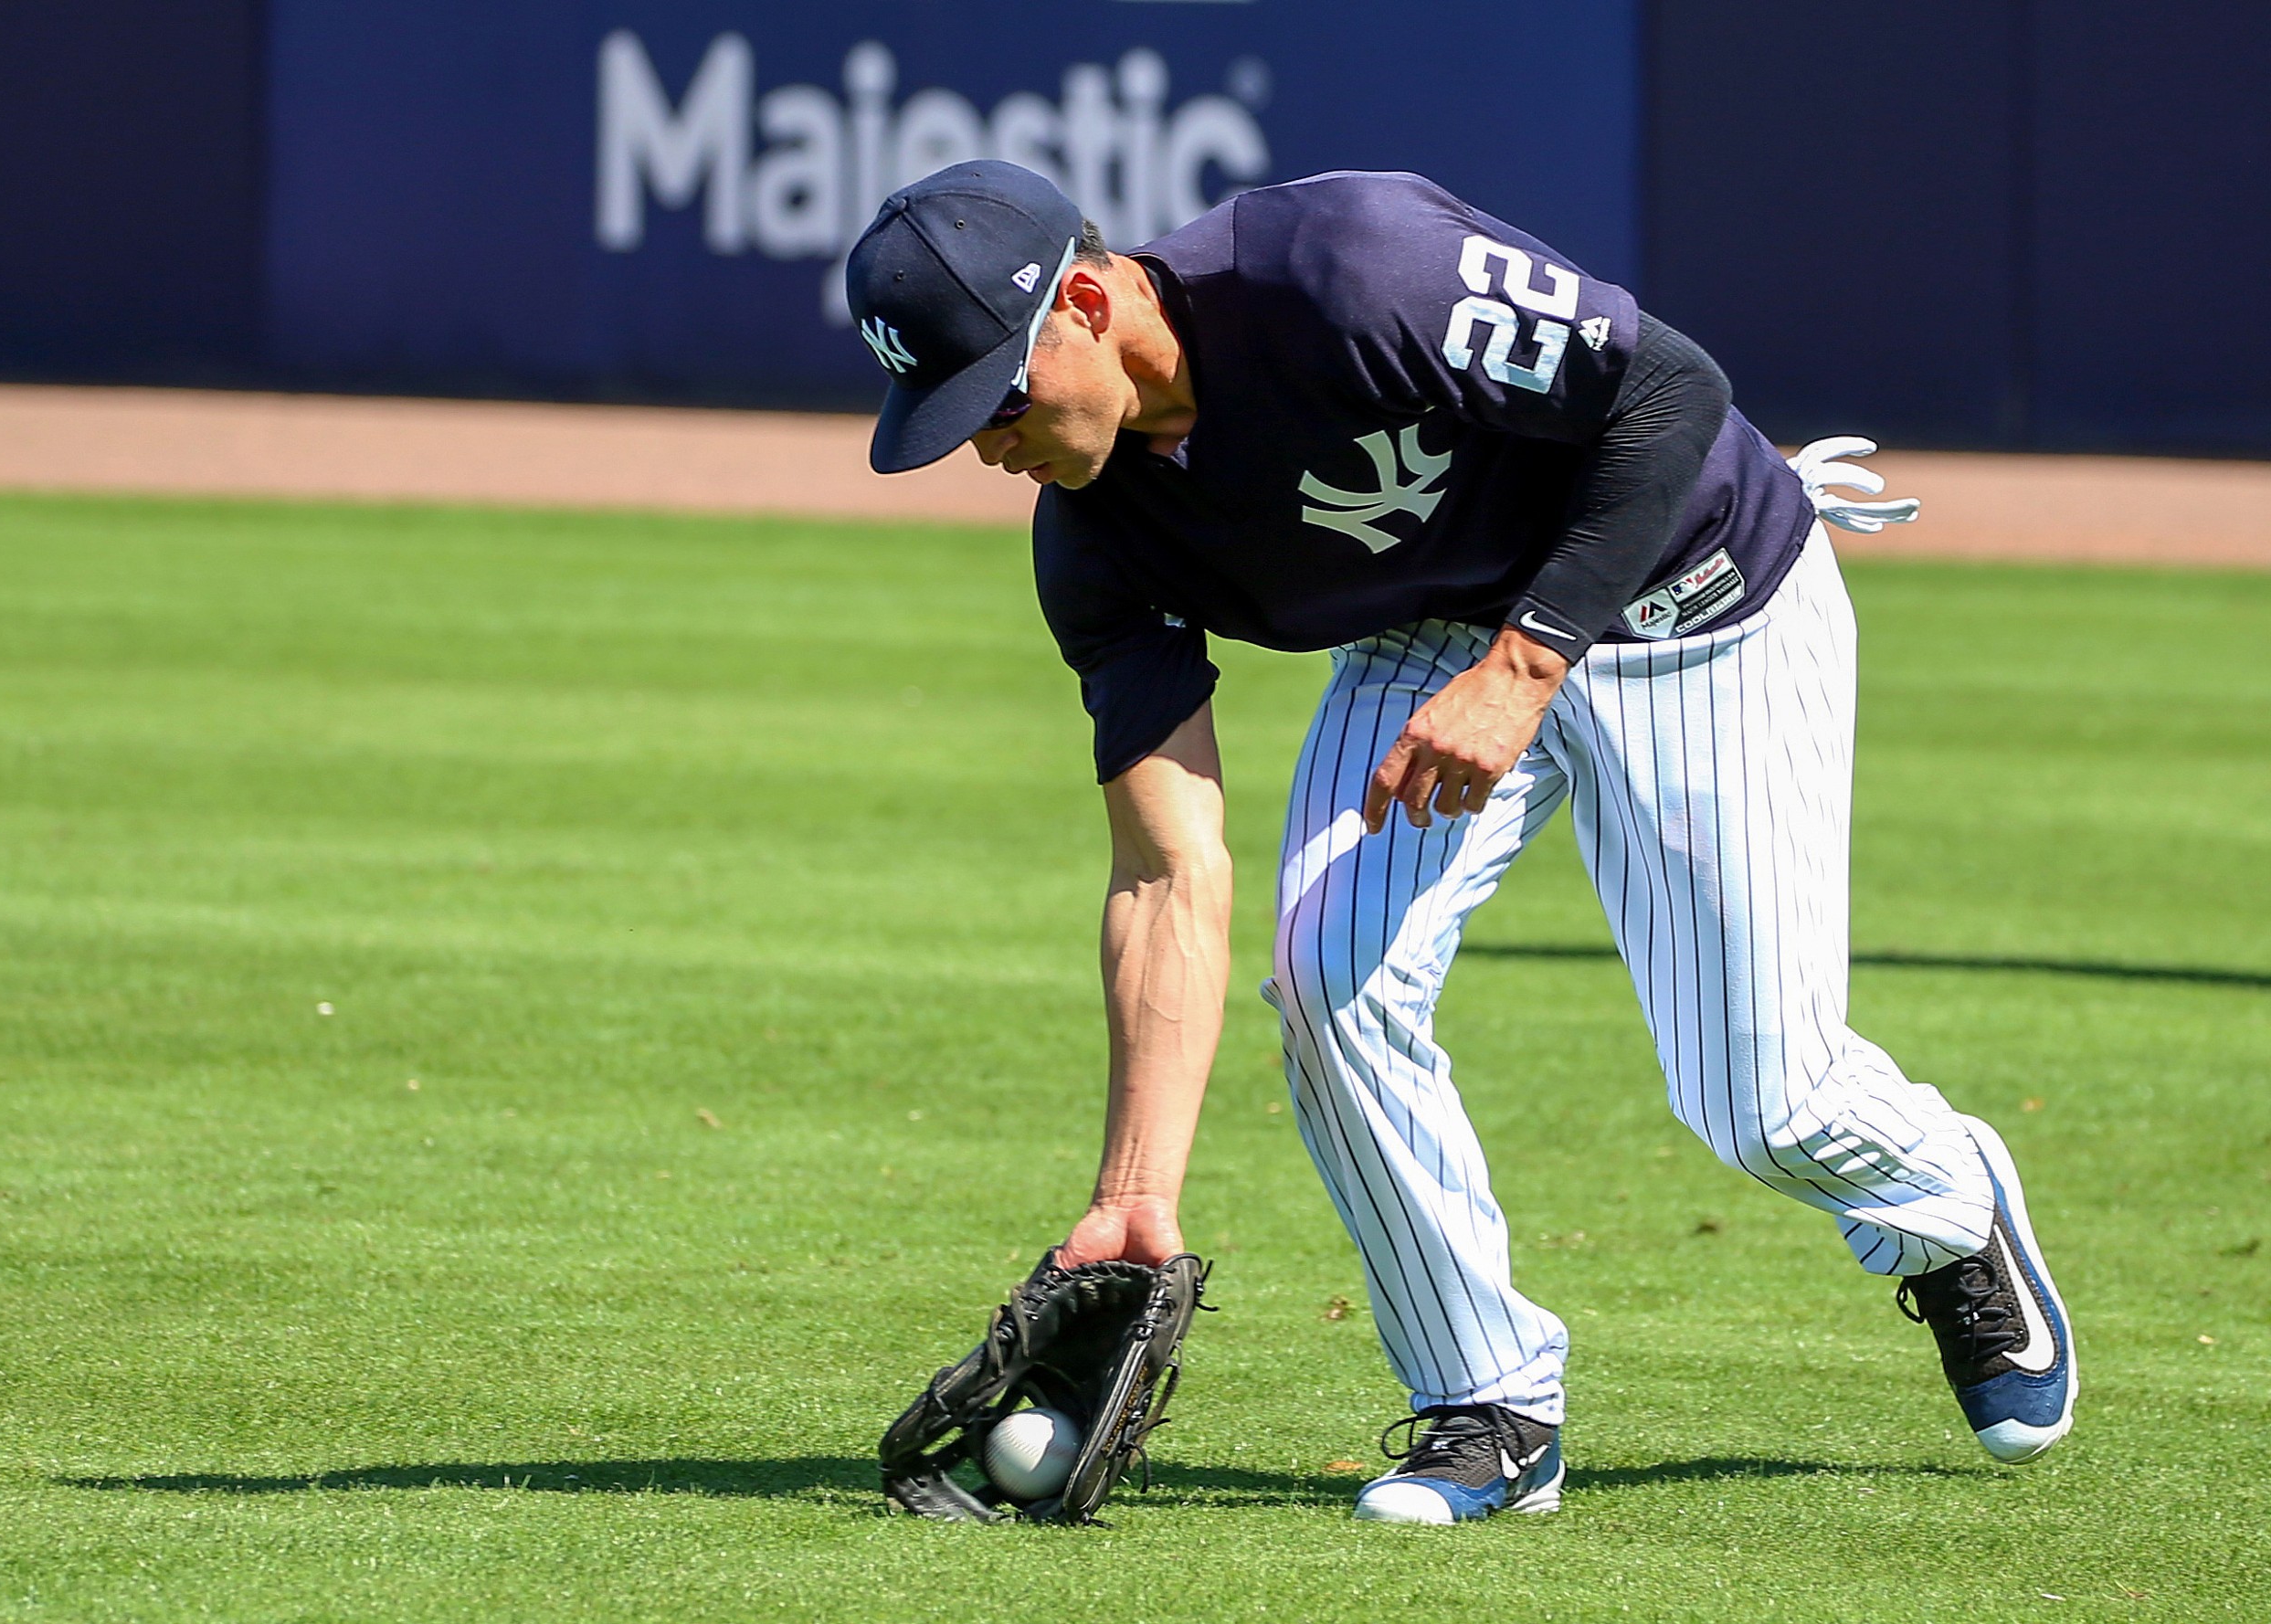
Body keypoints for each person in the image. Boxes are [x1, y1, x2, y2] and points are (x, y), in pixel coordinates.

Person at [841, 162, 2075, 1524]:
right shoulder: (1095, 544)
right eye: (949, 419)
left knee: (1766, 1102)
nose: (987, 447)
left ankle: (1949, 1201)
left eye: (996, 398)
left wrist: (1527, 661)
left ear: (1085, 300)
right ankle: (1485, 1401)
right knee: (1327, 976)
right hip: (1431, 628)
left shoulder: (1344, 268)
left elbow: (1670, 390)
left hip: (1688, 588)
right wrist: (1136, 1194)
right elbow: (1166, 871)